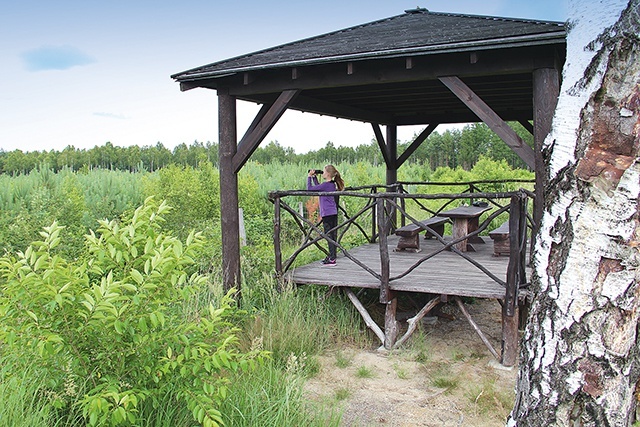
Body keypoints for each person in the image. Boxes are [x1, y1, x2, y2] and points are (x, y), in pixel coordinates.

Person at [307, 165, 345, 266]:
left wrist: (309, 176)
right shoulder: (331, 184)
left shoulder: (326, 185)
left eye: (323, 172)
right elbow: (319, 189)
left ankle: (332, 259)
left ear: (328, 174)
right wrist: (314, 177)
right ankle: (332, 256)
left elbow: (310, 189)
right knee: (331, 235)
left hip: (327, 213)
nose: (322, 173)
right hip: (332, 212)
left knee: (329, 236)